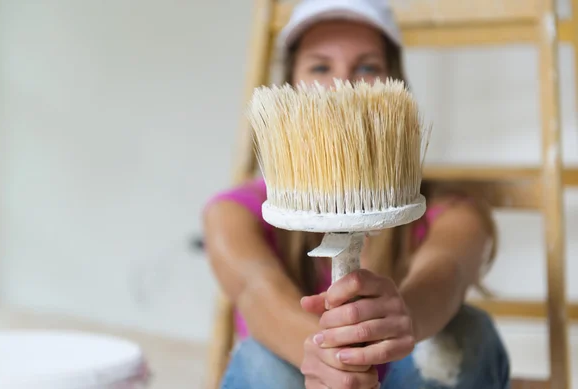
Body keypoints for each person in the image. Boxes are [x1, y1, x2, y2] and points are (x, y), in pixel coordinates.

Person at [203, 0, 511, 388]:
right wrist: (326, 359)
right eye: (320, 67)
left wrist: (405, 317)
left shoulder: (453, 216)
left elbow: (445, 272)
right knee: (260, 359)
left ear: (395, 88)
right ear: (289, 88)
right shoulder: (235, 214)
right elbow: (256, 290)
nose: (341, 85)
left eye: (367, 68)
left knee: (468, 333)